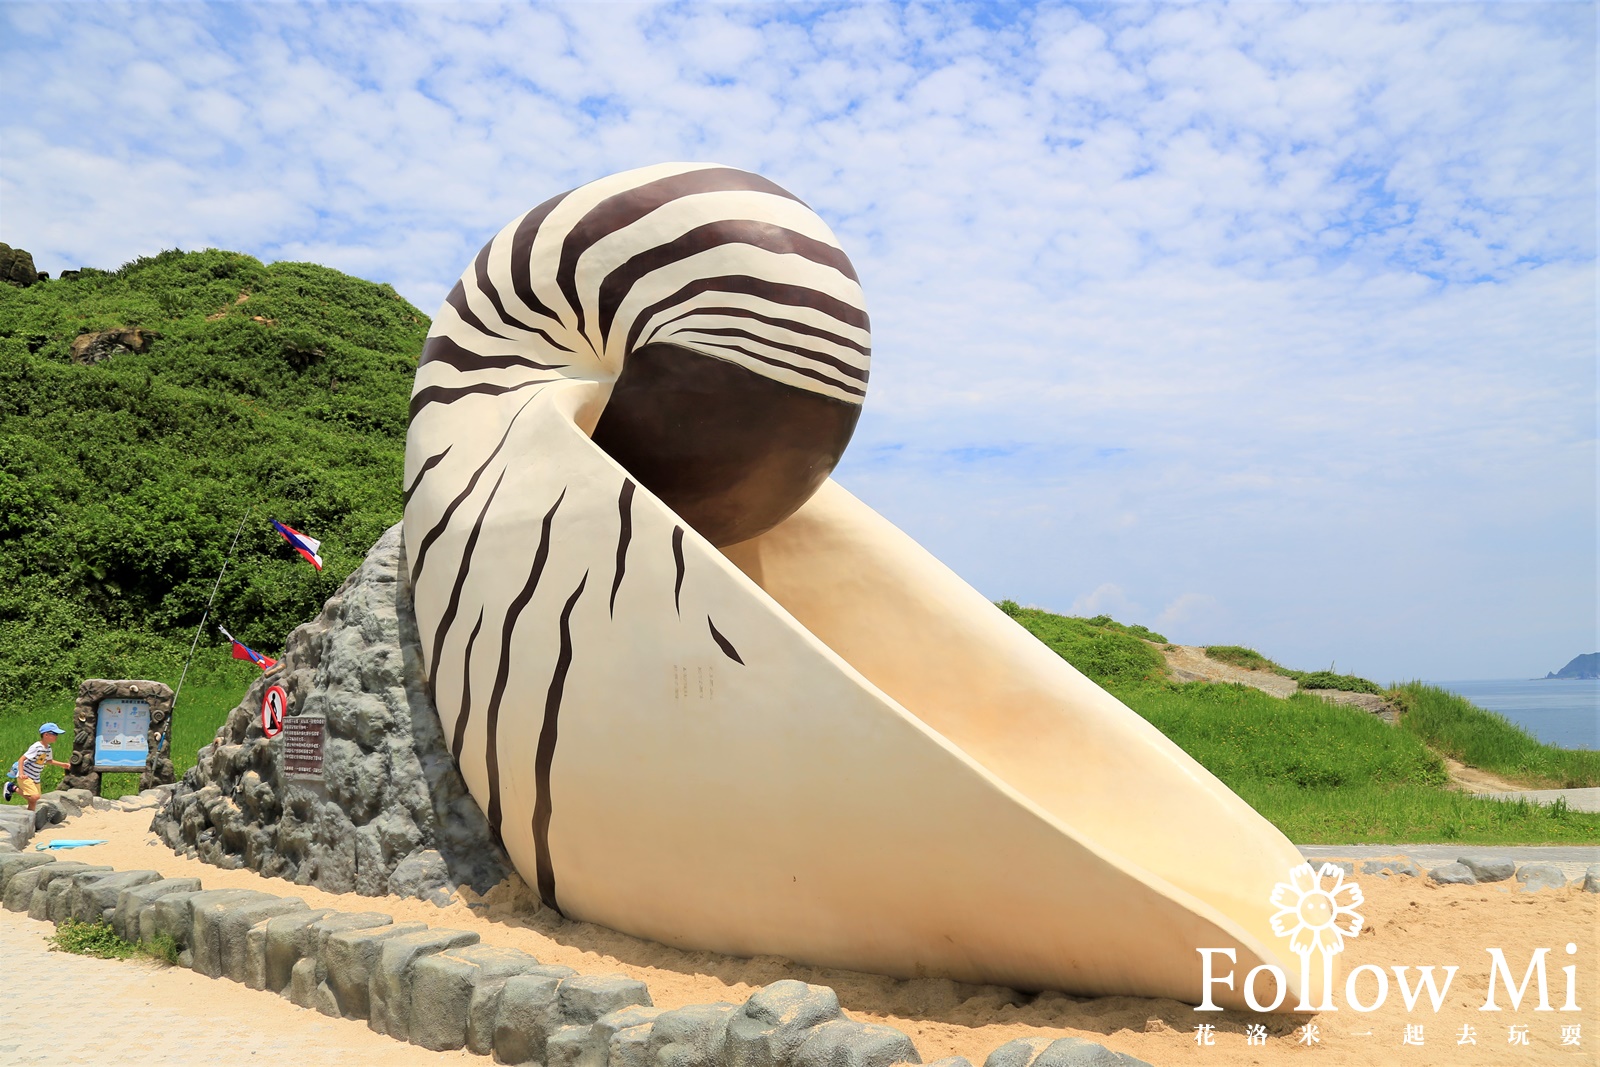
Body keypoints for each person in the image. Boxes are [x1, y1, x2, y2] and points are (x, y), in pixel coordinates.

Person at [5, 723, 71, 810]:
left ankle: (30, 819)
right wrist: (21, 773)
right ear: (46, 735)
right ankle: (12, 787)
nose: (56, 736)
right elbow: (21, 759)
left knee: (33, 800)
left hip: (35, 776)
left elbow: (48, 760)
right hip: (26, 775)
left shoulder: (48, 748)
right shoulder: (36, 747)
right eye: (54, 734)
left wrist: (63, 764)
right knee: (35, 797)